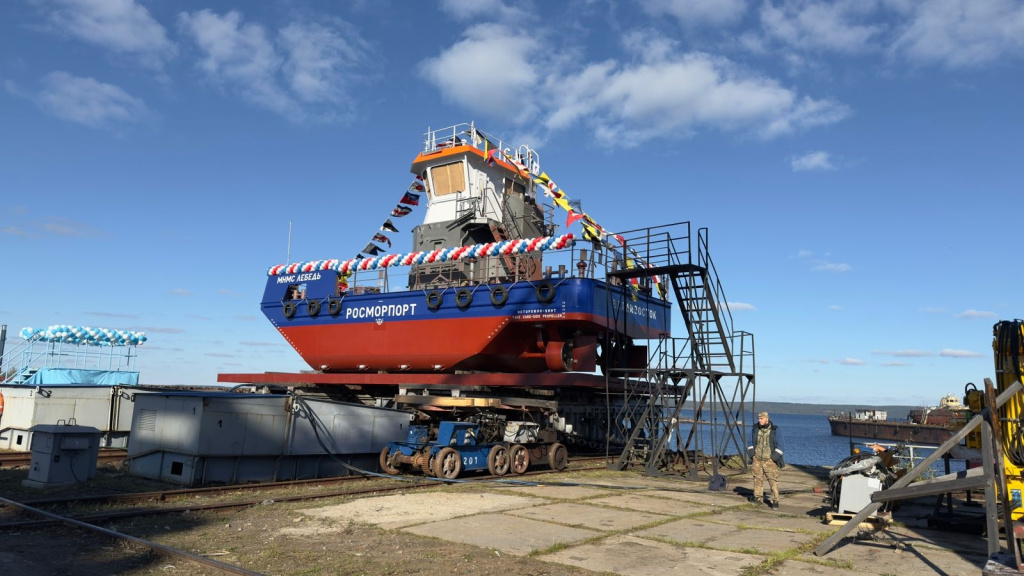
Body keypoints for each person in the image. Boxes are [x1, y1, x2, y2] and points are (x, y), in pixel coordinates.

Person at [747, 411, 785, 508]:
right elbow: (750, 442)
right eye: (759, 419)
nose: (759, 420)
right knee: (757, 479)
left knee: (772, 480)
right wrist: (752, 455)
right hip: (757, 459)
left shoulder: (775, 430)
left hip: (769, 460)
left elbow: (781, 446)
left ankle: (775, 500)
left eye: (761, 418)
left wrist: (773, 458)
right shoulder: (755, 429)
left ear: (767, 419)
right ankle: (758, 498)